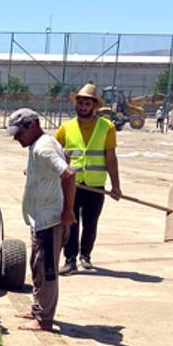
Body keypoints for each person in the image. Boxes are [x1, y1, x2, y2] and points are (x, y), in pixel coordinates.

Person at [6, 108, 76, 332]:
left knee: (47, 271)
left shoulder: (43, 148)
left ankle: (44, 319)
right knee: (37, 266)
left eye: (19, 133)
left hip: (49, 220)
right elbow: (65, 159)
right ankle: (38, 309)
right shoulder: (43, 143)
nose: (16, 138)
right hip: (40, 218)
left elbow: (69, 174)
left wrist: (68, 211)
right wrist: (37, 174)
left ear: (33, 126)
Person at [56, 83, 121, 274]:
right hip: (72, 185)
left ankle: (85, 256)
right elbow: (53, 153)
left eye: (87, 104)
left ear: (94, 106)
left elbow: (111, 158)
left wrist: (116, 186)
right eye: (80, 103)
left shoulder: (106, 127)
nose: (83, 107)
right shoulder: (66, 128)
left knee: (90, 223)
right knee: (70, 221)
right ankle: (70, 260)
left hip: (95, 185)